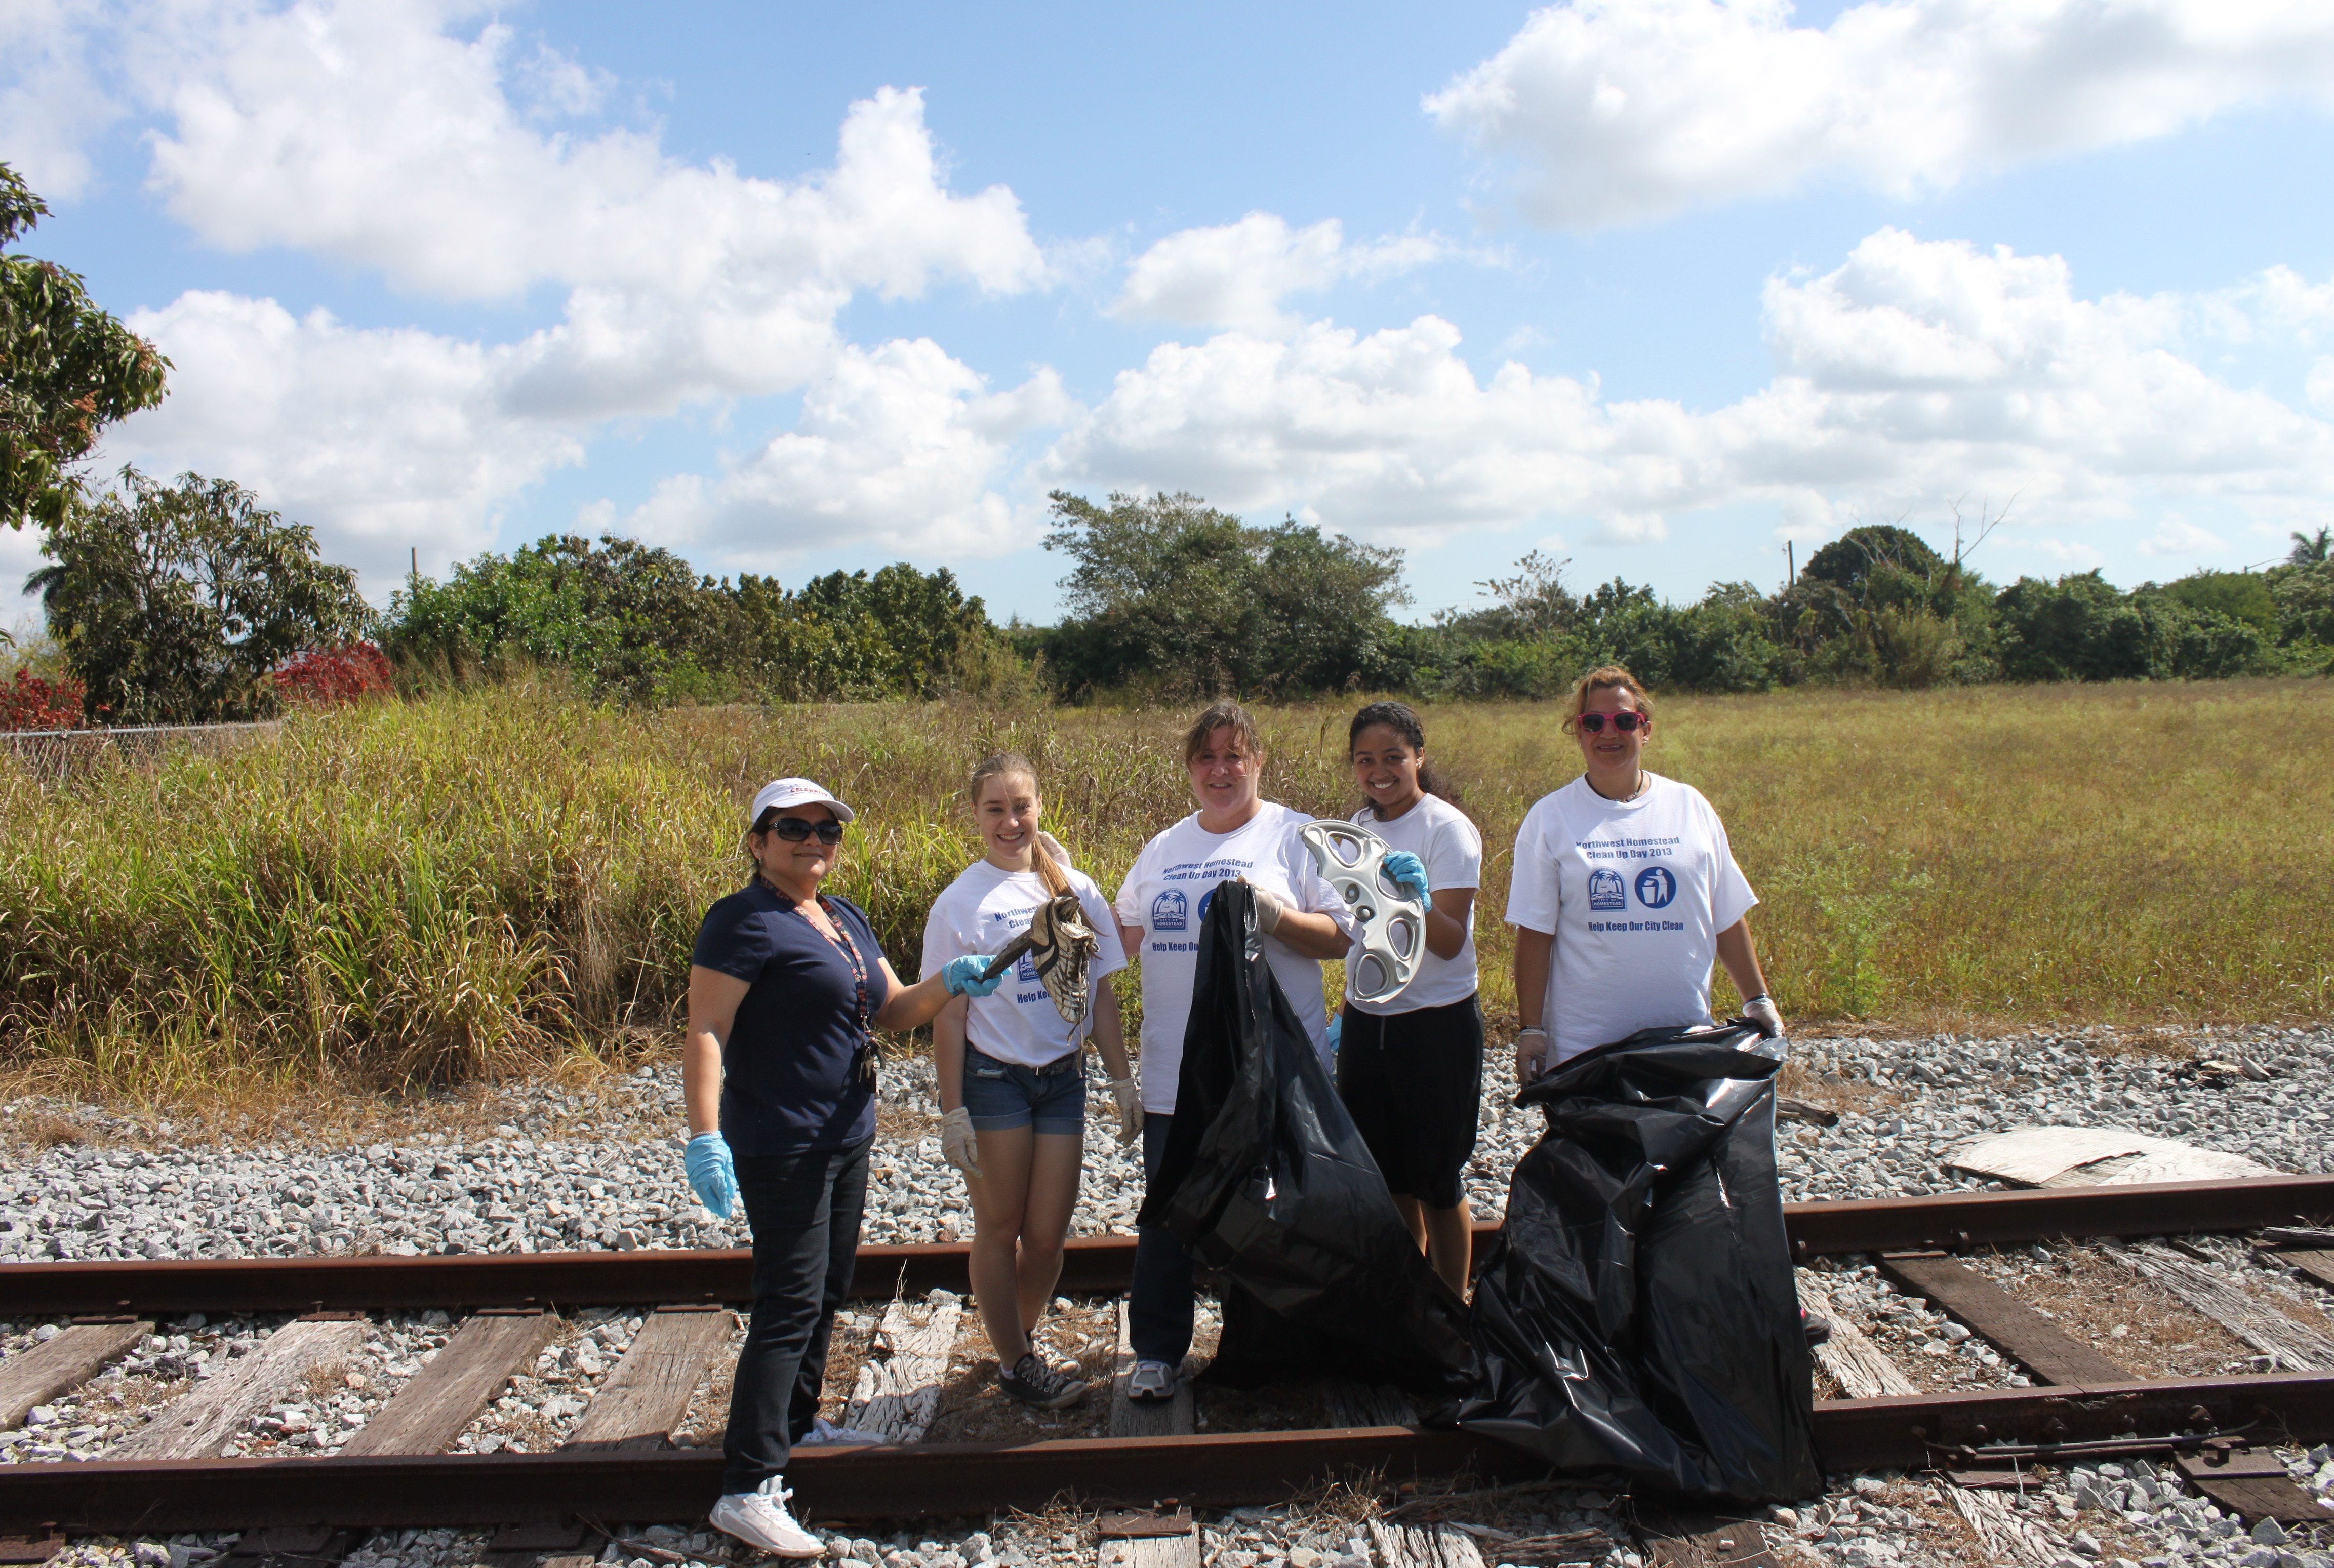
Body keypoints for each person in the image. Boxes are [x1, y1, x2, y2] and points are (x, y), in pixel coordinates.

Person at [682, 778, 1009, 1558]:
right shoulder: (742, 920)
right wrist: (704, 1134)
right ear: (758, 842)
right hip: (781, 1140)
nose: (813, 841)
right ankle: (748, 1485)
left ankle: (796, 1426)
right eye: (793, 828)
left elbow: (891, 1008)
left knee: (826, 1289)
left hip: (844, 1132)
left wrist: (949, 982)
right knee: (788, 1301)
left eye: (826, 830)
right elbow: (706, 1029)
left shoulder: (841, 917)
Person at [1111, 699, 1358, 1403]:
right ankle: (1157, 1351)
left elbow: (1340, 936)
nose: (1220, 770)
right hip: (1175, 1071)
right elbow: (1119, 938)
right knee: (1167, 1214)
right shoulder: (1163, 848)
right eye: (1206, 758)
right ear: (1190, 767)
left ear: (1258, 762)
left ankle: (1269, 1353)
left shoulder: (1295, 836)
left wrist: (1276, 915)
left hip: (1270, 1070)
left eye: (1234, 756)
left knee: (1270, 1213)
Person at [922, 752, 1141, 1410]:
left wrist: (1122, 1082)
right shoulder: (959, 903)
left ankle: (1013, 1342)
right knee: (999, 1226)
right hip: (995, 1079)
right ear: (974, 814)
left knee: (1046, 1240)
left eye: (1021, 806)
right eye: (995, 808)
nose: (1010, 821)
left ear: (1039, 807)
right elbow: (948, 1015)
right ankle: (1017, 1362)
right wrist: (953, 1110)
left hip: (1062, 1081)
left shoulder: (1074, 888)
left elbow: (1098, 995)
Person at [1505, 666, 1785, 1085]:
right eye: (1593, 722)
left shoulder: (1690, 806)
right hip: (1587, 1050)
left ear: (1646, 729)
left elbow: (1725, 916)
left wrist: (1758, 1000)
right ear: (1578, 732)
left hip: (1686, 1040)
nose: (1609, 733)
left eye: (1624, 720)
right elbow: (1535, 934)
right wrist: (1532, 1030)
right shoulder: (1549, 817)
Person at [1331, 701, 1484, 1297]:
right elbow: (1361, 931)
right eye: (1364, 760)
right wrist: (1345, 1011)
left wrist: (1416, 898)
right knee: (1387, 1174)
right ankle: (1408, 1299)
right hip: (1369, 1020)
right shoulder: (1357, 828)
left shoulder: (1446, 829)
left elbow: (1447, 943)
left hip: (1435, 1023)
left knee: (1436, 1177)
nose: (1379, 771)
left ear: (1418, 757)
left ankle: (1450, 1303)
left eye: (1392, 757)